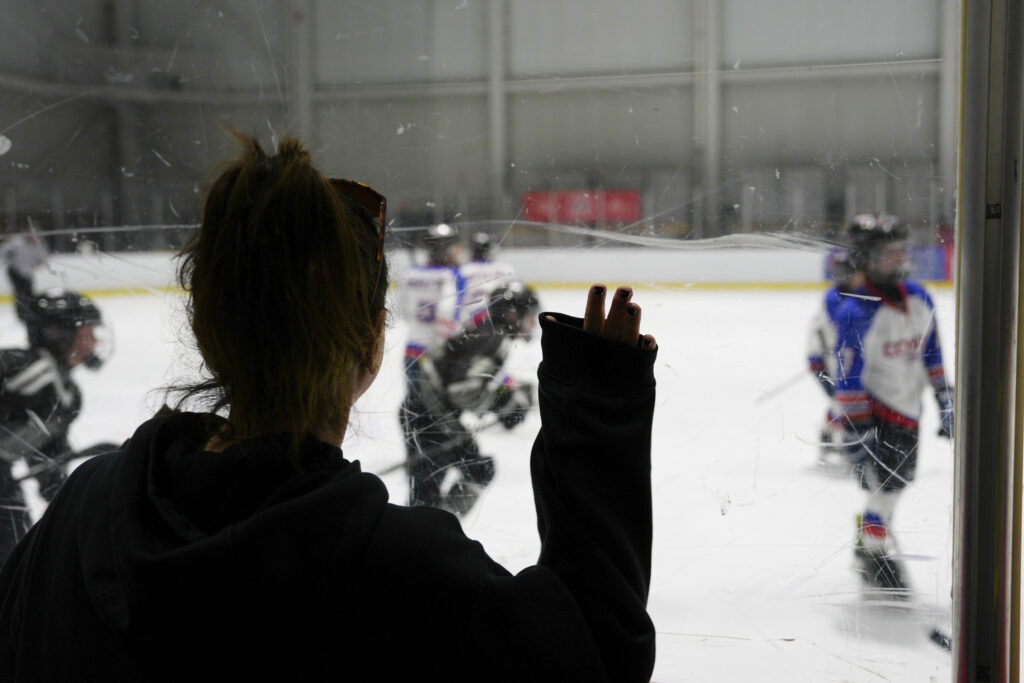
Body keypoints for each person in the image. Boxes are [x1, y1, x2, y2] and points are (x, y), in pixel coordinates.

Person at [0, 133, 658, 682]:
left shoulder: (80, 517)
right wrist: (597, 411)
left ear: (205, 328)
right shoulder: (405, 578)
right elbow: (594, 657)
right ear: (374, 344)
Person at [834, 213, 954, 597]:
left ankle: (871, 533)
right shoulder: (856, 310)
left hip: (909, 411)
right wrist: (856, 426)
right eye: (889, 253)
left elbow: (932, 351)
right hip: (878, 415)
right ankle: (873, 552)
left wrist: (943, 396)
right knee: (886, 490)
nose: (900, 259)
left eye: (902, 251)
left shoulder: (920, 298)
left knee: (895, 486)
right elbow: (847, 376)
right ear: (867, 259)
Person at [403, 280, 539, 516]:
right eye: (529, 316)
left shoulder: (489, 331)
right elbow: (461, 391)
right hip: (429, 417)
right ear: (511, 313)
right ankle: (432, 532)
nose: (532, 323)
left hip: (427, 413)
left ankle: (431, 531)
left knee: (432, 489)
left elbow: (464, 379)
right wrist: (504, 403)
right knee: (466, 475)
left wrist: (505, 396)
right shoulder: (491, 338)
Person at [0, 289, 111, 565]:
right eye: (87, 332)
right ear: (58, 333)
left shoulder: (65, 394)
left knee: (14, 544)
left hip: (3, 485)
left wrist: (65, 498)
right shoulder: (26, 370)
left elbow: (47, 455)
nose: (95, 341)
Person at [806, 250, 863, 468]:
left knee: (841, 402)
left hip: (838, 361)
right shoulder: (834, 300)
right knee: (843, 403)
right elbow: (828, 336)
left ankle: (831, 441)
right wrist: (817, 361)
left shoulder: (853, 296)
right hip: (827, 362)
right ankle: (837, 444)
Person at [457, 231, 518, 324]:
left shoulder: (464, 270)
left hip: (470, 318)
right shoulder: (506, 269)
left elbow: (457, 297)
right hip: (498, 317)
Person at [0, 233, 48, 322]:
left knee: (29, 293)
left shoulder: (39, 246)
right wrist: (8, 257)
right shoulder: (17, 243)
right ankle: (21, 314)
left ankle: (30, 312)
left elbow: (43, 258)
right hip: (15, 271)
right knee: (20, 293)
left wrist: (37, 263)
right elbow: (4, 252)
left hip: (27, 273)